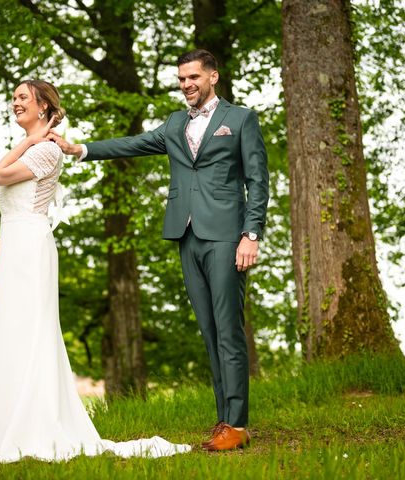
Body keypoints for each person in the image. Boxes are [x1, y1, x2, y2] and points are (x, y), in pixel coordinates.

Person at [0, 79, 191, 462]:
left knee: (32, 332)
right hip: (15, 248)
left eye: (22, 98)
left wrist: (29, 143)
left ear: (44, 107)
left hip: (32, 251)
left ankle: (35, 425)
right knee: (9, 331)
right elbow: (14, 211)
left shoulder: (47, 150)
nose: (14, 103)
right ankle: (2, 423)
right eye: (13, 97)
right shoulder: (33, 148)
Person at [48, 49, 270, 451]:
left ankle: (237, 424)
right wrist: (79, 149)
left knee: (228, 331)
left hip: (226, 235)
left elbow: (258, 180)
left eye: (193, 77)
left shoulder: (240, 120)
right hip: (186, 234)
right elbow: (133, 144)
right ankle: (224, 421)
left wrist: (250, 234)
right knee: (209, 332)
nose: (186, 84)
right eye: (181, 79)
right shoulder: (172, 124)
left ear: (213, 77)